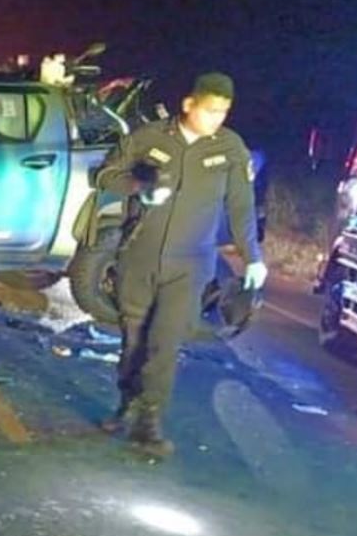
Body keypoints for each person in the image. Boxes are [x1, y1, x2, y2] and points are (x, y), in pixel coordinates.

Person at [94, 71, 266, 456]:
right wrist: (139, 187)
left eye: (223, 112)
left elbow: (241, 205)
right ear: (189, 105)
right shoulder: (149, 138)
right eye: (209, 111)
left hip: (191, 264)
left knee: (165, 342)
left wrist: (252, 257)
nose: (216, 119)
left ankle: (149, 423)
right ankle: (126, 403)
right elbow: (106, 174)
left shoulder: (230, 147)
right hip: (140, 257)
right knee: (133, 342)